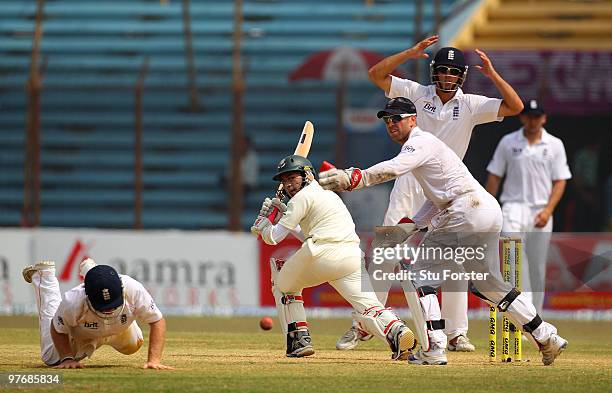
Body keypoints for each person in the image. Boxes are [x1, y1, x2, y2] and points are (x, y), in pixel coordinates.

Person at [319, 97, 567, 365]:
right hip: (485, 210)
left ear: (413, 120)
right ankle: (547, 337)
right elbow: (435, 201)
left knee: (420, 275)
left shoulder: (419, 142)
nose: (391, 124)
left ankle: (434, 347)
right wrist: (409, 226)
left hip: (465, 210)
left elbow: (393, 168)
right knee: (488, 284)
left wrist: (355, 178)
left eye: (397, 118)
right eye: (387, 120)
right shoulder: (426, 150)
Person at [335, 34, 524, 353]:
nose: (447, 76)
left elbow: (515, 106)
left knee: (452, 262)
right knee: (385, 253)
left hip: (446, 192)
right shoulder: (415, 94)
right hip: (409, 184)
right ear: (434, 71)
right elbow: (376, 75)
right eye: (442, 70)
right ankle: (365, 323)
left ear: (461, 75)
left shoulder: (471, 104)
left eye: (453, 72)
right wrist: (409, 53)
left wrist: (493, 75)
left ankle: (456, 333)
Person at [250, 155, 416, 359]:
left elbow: (273, 238)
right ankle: (398, 332)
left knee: (282, 280)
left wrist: (264, 225)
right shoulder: (327, 195)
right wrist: (285, 215)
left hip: (322, 254)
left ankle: (298, 339)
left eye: (292, 178)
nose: (288, 184)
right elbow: (307, 233)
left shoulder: (300, 199)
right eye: (284, 181)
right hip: (351, 257)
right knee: (369, 305)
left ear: (307, 175)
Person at [485, 99, 571, 313]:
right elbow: (495, 176)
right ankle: (521, 318)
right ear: (522, 117)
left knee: (537, 267)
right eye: (529, 116)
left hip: (540, 210)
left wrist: (548, 210)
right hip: (512, 207)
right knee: (514, 264)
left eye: (537, 116)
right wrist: (488, 209)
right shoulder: (508, 142)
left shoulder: (554, 145)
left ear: (544, 118)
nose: (532, 121)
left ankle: (536, 320)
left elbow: (560, 180)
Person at [22, 258, 173, 370]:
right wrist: (67, 358)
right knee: (52, 358)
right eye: (104, 306)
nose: (108, 310)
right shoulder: (73, 300)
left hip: (120, 325)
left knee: (133, 346)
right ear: (87, 295)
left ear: (121, 289)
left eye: (112, 303)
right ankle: (44, 276)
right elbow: (57, 327)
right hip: (82, 333)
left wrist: (154, 360)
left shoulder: (134, 289)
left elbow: (157, 320)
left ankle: (91, 270)